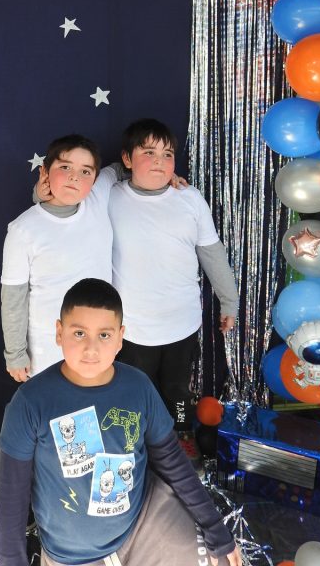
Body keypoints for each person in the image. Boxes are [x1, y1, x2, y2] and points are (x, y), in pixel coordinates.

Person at [0, 278, 242, 566]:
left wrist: (215, 527)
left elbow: (172, 461)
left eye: (104, 335)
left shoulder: (138, 386)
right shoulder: (30, 401)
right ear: (59, 333)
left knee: (221, 560)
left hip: (142, 523)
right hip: (75, 555)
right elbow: (12, 493)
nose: (91, 349)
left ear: (120, 337)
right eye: (79, 333)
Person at [109, 119, 240, 433]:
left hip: (182, 322)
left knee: (178, 392)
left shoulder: (189, 198)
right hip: (133, 328)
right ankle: (138, 447)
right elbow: (66, 200)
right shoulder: (109, 197)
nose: (159, 161)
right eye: (149, 153)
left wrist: (229, 302)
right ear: (127, 158)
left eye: (167, 155)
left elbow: (212, 253)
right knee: (135, 394)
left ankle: (181, 439)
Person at [1, 134, 115, 381]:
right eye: (65, 167)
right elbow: (13, 299)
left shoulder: (97, 197)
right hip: (49, 346)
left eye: (85, 172)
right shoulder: (23, 229)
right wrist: (15, 354)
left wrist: (167, 179)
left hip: (99, 344)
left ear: (95, 179)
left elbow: (121, 168)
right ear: (44, 172)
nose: (75, 177)